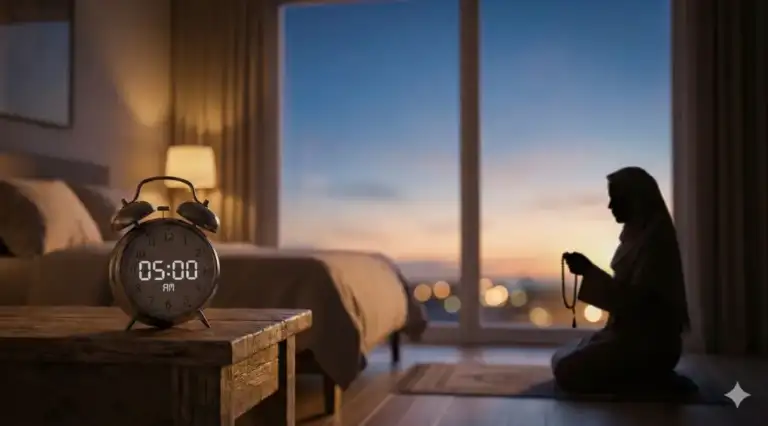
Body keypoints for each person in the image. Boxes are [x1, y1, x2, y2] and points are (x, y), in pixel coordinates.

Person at [551, 166, 695, 395]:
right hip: (628, 336)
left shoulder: (656, 244)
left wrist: (589, 271)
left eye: (615, 199)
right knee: (564, 355)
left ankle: (651, 381)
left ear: (635, 200)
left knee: (567, 367)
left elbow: (640, 305)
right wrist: (590, 272)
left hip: (650, 345)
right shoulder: (637, 237)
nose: (610, 206)